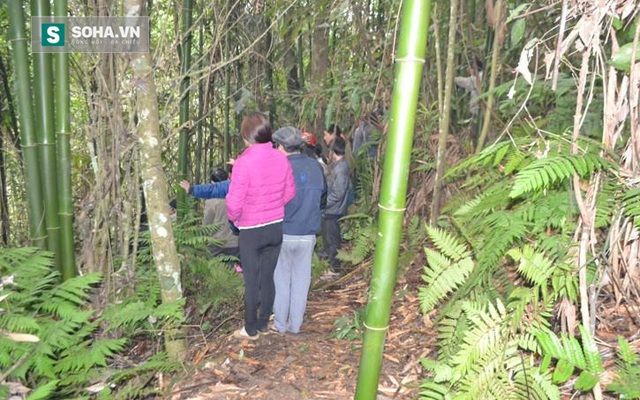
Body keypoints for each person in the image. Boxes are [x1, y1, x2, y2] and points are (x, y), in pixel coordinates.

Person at [226, 112, 296, 340]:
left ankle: (250, 328)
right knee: (267, 278)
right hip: (275, 228)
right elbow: (290, 192)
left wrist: (235, 219)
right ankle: (264, 322)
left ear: (247, 137)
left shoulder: (243, 163)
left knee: (251, 281)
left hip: (251, 230)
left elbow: (234, 202)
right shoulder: (281, 158)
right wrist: (274, 206)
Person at [271, 126, 326, 334]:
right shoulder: (316, 167)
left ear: (283, 147)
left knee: (282, 280)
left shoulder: (279, 168)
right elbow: (323, 199)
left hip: (283, 232)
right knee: (301, 281)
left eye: (277, 146)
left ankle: (280, 326)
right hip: (307, 233)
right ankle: (295, 326)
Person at [321, 136, 351, 278]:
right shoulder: (338, 166)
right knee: (329, 238)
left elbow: (338, 193)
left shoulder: (341, 168)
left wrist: (325, 203)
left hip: (334, 210)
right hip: (331, 210)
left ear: (334, 151)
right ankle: (331, 266)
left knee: (333, 240)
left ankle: (335, 269)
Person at [201, 168, 240, 259]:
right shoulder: (238, 196)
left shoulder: (211, 201)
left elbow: (206, 225)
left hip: (216, 243)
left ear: (212, 183)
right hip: (235, 242)